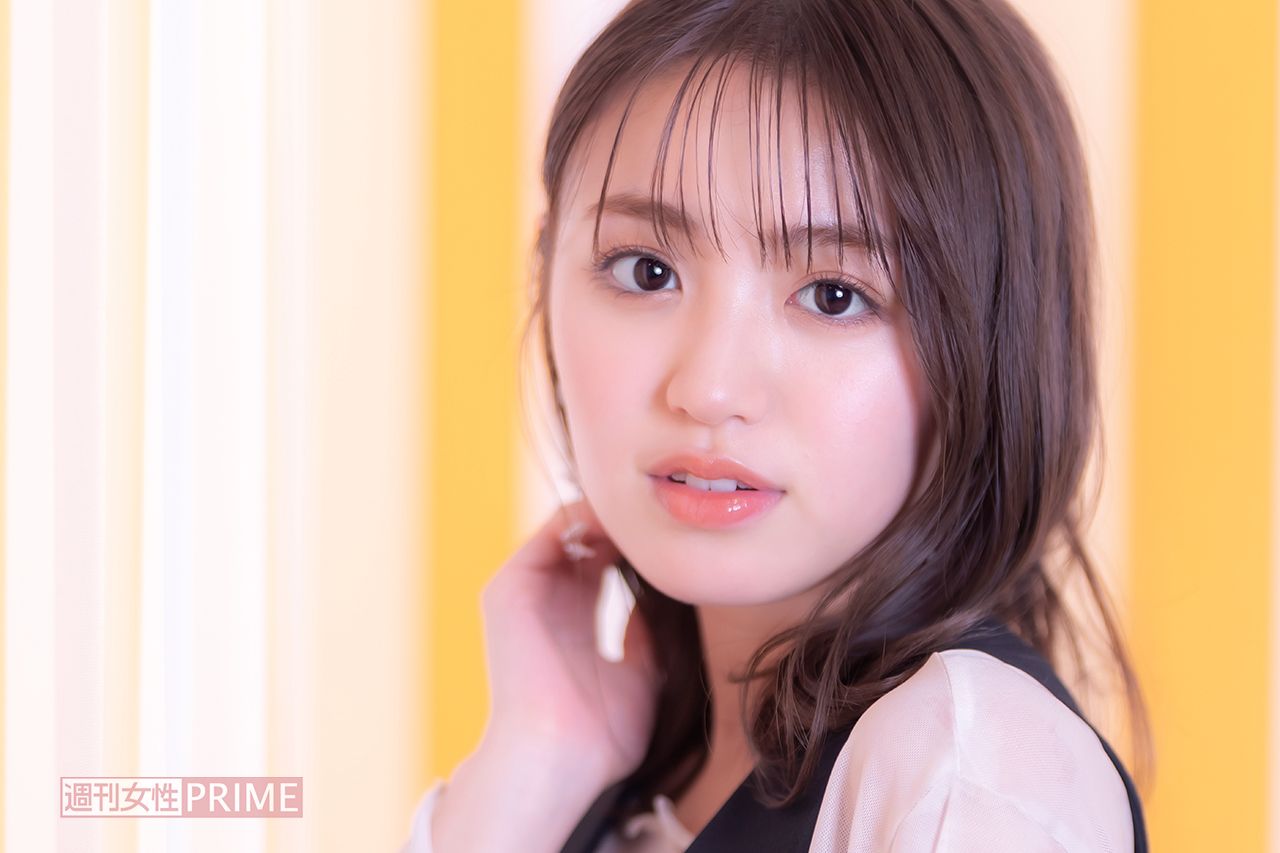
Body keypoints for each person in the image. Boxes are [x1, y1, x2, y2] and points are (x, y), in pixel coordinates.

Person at [402, 0, 1152, 849]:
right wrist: (533, 766)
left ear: (993, 340)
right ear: (545, 269)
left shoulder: (963, 769)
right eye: (646, 270)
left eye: (834, 295)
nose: (709, 389)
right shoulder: (622, 776)